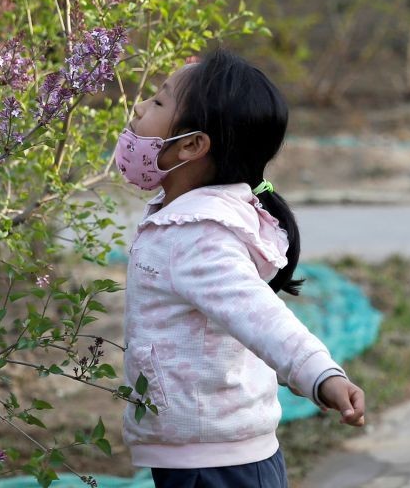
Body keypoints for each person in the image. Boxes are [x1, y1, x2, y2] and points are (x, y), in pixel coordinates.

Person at [115, 49, 365, 488]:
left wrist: (319, 374)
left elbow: (261, 318)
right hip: (203, 454)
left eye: (157, 101)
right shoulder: (183, 217)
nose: (139, 106)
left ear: (192, 144)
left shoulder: (197, 237)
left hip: (217, 466)